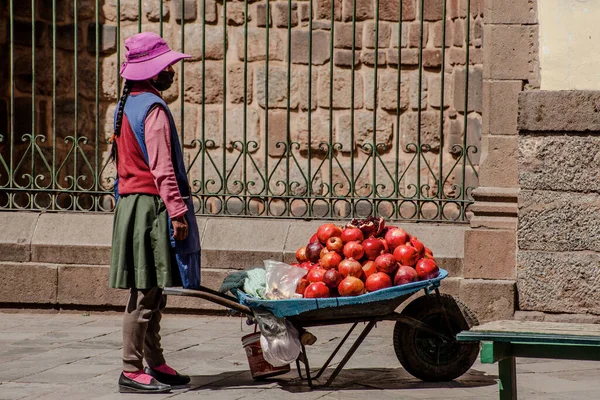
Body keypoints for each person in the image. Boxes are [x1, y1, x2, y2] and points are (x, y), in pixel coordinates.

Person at [109, 32, 201, 394]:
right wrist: (177, 213)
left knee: (153, 290)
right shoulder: (153, 109)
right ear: (152, 71)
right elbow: (162, 169)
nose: (172, 71)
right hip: (149, 207)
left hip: (133, 206)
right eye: (167, 66)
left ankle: (155, 362)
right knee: (145, 293)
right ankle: (131, 369)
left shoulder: (127, 104)